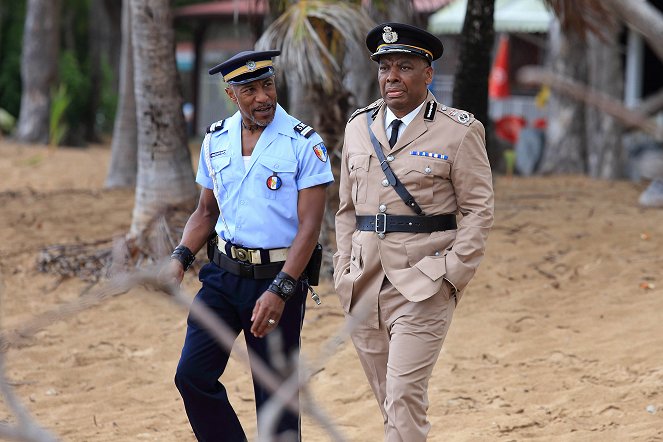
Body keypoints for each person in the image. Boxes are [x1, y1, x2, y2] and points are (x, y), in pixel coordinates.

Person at [333, 23, 494, 441]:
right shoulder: (357, 128)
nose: (392, 77)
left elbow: (478, 210)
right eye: (385, 67)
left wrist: (452, 274)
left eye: (404, 66)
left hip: (424, 282)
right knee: (388, 398)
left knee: (404, 394)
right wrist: (342, 271)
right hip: (363, 282)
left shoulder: (458, 130)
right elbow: (347, 211)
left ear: (428, 73)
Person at [165, 50, 334, 442]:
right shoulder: (215, 139)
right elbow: (205, 212)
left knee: (276, 396)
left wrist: (281, 290)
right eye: (250, 89)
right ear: (231, 94)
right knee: (192, 376)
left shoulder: (303, 143)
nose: (263, 97)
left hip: (277, 279)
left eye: (267, 85)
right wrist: (179, 257)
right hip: (221, 277)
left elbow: (310, 228)